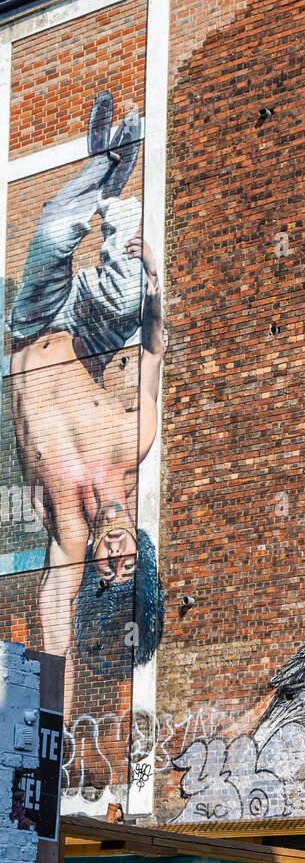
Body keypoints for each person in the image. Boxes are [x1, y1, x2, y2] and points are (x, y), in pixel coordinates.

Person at [8, 90, 165, 713]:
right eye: (132, 564)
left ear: (97, 564)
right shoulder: (135, 442)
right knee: (130, 287)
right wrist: (151, 266)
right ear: (142, 549)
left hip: (32, 324)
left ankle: (103, 172)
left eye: (112, 571)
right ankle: (116, 202)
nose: (118, 555)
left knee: (52, 228)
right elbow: (154, 346)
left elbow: (52, 615)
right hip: (85, 335)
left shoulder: (69, 532)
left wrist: (49, 723)